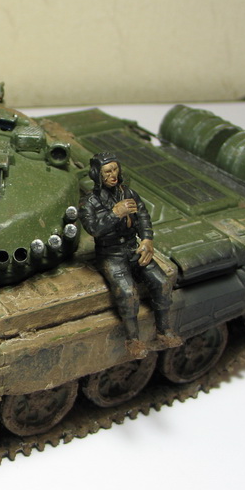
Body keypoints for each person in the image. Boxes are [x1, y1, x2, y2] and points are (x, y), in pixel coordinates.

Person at [79, 151, 182, 357]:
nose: (113, 175)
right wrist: (114, 213)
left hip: (133, 248)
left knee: (162, 282)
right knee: (128, 292)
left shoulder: (128, 193)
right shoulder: (89, 202)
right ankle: (133, 339)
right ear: (97, 175)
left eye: (115, 170)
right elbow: (93, 229)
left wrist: (147, 240)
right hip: (111, 254)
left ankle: (164, 331)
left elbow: (143, 216)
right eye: (107, 172)